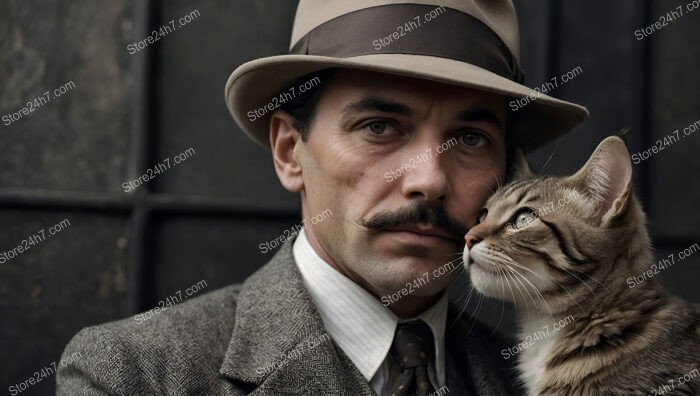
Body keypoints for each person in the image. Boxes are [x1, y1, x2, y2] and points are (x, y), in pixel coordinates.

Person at [57, 1, 587, 394]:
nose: (430, 179)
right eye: (380, 126)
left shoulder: (546, 381)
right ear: (290, 151)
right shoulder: (134, 374)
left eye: (470, 140)